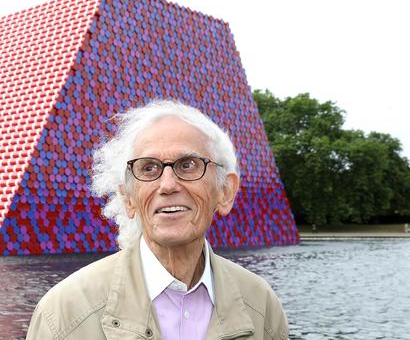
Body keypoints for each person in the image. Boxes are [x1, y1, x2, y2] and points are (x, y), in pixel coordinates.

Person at [26, 100, 288, 340]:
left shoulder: (262, 304)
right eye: (148, 168)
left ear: (225, 191)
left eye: (188, 165)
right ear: (128, 198)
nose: (167, 185)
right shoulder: (63, 313)